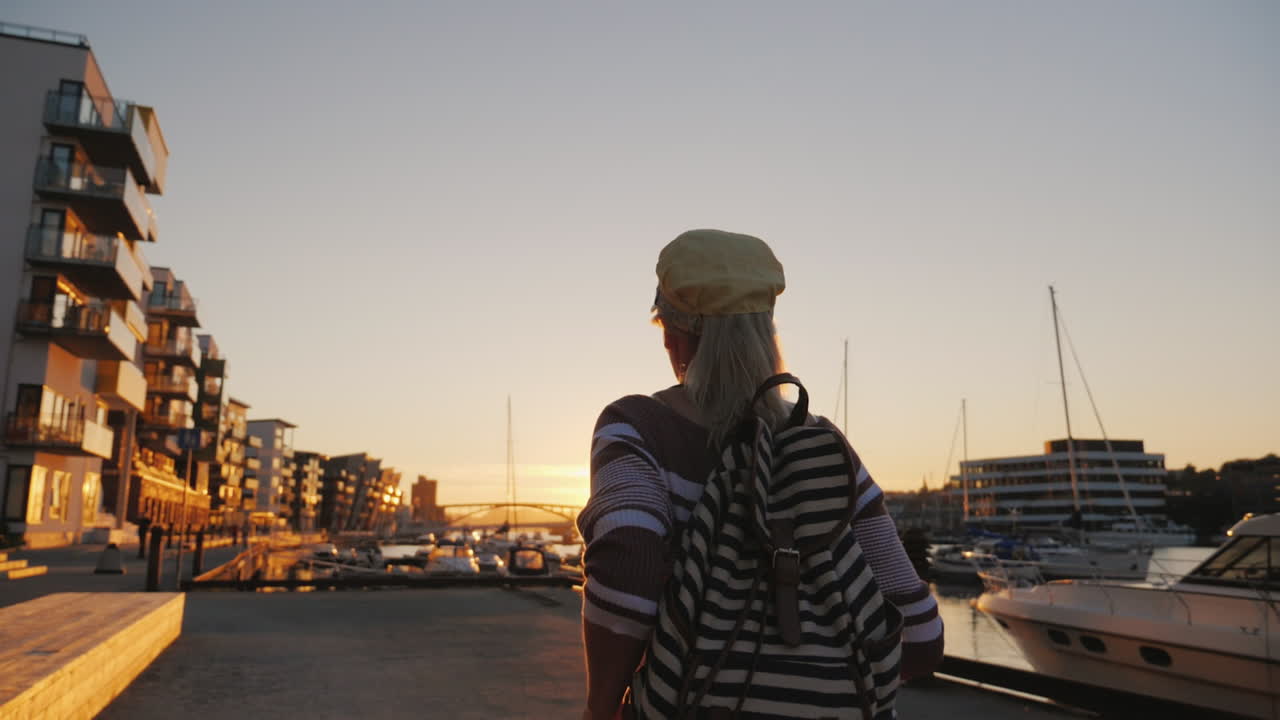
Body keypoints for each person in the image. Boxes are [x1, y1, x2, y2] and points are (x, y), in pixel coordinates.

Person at [577, 229, 944, 719]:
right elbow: (920, 637)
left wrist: (601, 707)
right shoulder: (824, 444)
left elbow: (630, 567)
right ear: (767, 331)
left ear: (671, 333)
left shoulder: (636, 427)